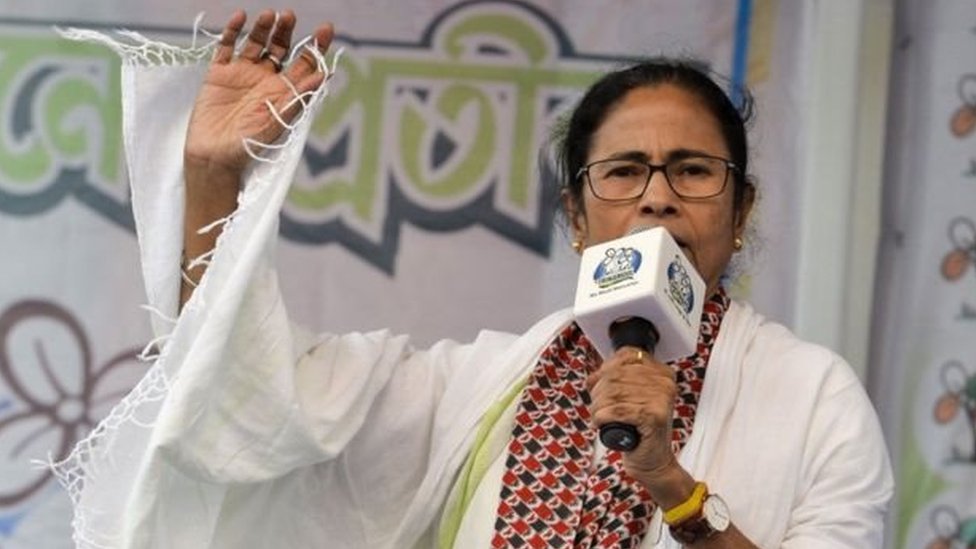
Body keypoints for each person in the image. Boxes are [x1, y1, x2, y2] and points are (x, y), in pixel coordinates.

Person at [60, 8, 893, 549]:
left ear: (741, 211)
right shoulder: (474, 388)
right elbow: (258, 398)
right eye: (623, 171)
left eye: (693, 170)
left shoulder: (815, 397)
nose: (657, 197)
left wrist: (672, 487)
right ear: (575, 218)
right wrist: (213, 178)